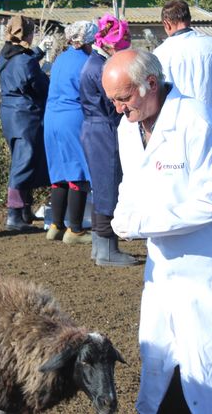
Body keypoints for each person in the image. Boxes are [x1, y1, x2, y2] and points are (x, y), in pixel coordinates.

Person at [102, 49, 212, 413]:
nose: (118, 109)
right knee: (162, 354)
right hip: (167, 268)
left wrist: (140, 224)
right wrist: (123, 215)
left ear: (151, 85)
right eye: (112, 101)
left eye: (123, 99)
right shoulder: (128, 129)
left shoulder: (196, 120)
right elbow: (132, 185)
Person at [79, 14, 137, 267]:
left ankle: (99, 246)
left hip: (96, 129)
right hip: (104, 131)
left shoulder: (93, 63)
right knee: (108, 187)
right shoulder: (100, 68)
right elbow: (112, 103)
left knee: (102, 186)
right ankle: (107, 248)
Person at [43, 20, 98, 245]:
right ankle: (75, 229)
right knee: (78, 172)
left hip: (51, 118)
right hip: (72, 118)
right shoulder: (87, 62)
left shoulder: (60, 59)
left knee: (59, 173)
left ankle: (56, 225)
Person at [153, 0, 212, 138]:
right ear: (189, 19)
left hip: (180, 133)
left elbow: (157, 99)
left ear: (166, 24)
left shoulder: (160, 55)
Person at [0, 15, 51, 231]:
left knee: (21, 159)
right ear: (27, 34)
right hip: (25, 115)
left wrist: (38, 51)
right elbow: (39, 85)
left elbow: (23, 59)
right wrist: (47, 73)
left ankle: (24, 210)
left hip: (10, 113)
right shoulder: (25, 61)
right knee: (24, 162)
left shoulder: (5, 54)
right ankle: (14, 215)